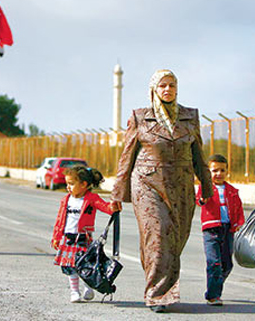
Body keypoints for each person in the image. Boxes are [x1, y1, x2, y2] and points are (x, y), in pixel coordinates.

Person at [111, 69, 213, 312]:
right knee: (157, 236)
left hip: (181, 185)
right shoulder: (140, 117)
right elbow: (126, 158)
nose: (167, 89)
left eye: (171, 85)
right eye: (162, 86)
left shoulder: (190, 117)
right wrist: (117, 193)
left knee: (175, 239)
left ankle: (160, 284)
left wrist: (207, 186)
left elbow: (198, 154)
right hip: (147, 184)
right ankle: (157, 294)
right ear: (154, 90)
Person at [51, 166, 122, 303]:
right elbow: (60, 220)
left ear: (84, 185)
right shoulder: (66, 200)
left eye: (71, 184)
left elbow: (106, 208)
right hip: (68, 239)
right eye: (67, 184)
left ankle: (88, 286)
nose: (68, 187)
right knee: (69, 266)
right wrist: (56, 237)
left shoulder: (91, 198)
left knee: (86, 265)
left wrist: (114, 205)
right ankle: (74, 292)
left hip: (84, 239)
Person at [196, 154, 245, 306]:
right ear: (208, 172)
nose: (218, 174)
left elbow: (238, 208)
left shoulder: (232, 190)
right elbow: (199, 200)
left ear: (227, 171)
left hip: (227, 229)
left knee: (227, 264)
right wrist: (203, 199)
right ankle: (213, 295)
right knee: (214, 263)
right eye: (214, 170)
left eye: (222, 170)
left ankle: (216, 283)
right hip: (211, 228)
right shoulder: (206, 187)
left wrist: (238, 223)